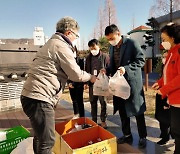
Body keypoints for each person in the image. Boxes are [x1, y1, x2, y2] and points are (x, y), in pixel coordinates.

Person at [20, 16, 96, 154]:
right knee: (48, 141)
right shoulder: (60, 46)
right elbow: (76, 74)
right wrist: (91, 77)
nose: (76, 38)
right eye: (76, 35)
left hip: (31, 96)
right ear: (68, 33)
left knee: (40, 137)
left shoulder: (51, 43)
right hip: (40, 98)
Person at [104, 24, 147, 148]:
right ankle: (127, 135)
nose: (110, 41)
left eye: (111, 38)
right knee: (122, 111)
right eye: (108, 39)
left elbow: (141, 60)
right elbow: (112, 65)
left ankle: (143, 136)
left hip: (132, 83)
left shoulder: (132, 43)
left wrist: (126, 68)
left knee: (138, 111)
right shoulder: (111, 48)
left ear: (118, 33)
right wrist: (106, 70)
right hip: (119, 85)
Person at [152, 22, 180, 154]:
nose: (163, 42)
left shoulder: (179, 51)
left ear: (172, 37)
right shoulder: (171, 53)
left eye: (164, 39)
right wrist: (160, 82)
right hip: (173, 99)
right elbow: (168, 73)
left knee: (177, 130)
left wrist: (164, 89)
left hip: (179, 99)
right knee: (175, 128)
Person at [85, 39, 109, 128]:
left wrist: (106, 73)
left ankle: (103, 120)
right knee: (93, 102)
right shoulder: (88, 58)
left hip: (102, 84)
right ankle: (94, 120)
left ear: (98, 46)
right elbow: (86, 70)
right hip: (92, 83)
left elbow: (109, 68)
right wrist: (87, 82)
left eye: (94, 48)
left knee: (103, 103)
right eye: (91, 48)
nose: (92, 50)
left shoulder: (105, 57)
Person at [155, 52, 171, 145]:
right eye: (163, 57)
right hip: (161, 94)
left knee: (167, 118)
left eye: (165, 57)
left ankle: (166, 137)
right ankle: (164, 134)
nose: (163, 59)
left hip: (168, 95)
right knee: (161, 116)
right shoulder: (164, 67)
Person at [68, 48, 85, 118]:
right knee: (74, 100)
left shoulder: (80, 60)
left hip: (79, 83)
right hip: (70, 83)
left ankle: (82, 116)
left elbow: (81, 72)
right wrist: (69, 82)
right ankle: (76, 114)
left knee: (79, 100)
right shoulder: (67, 61)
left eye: (73, 51)